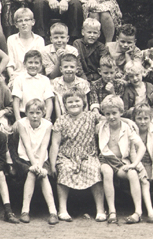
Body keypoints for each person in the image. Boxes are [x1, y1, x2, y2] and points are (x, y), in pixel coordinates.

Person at [49, 92, 106, 222]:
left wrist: (128, 121)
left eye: (77, 101)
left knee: (94, 168)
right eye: (70, 102)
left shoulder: (91, 116)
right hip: (66, 155)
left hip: (88, 154)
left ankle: (100, 209)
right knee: (64, 169)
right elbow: (55, 143)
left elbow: (109, 118)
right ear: (65, 105)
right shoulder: (61, 120)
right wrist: (52, 164)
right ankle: (62, 210)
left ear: (83, 103)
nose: (74, 104)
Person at [97, 95, 145, 224]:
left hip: (121, 162)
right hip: (106, 159)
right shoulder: (101, 125)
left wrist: (135, 163)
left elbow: (141, 146)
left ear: (121, 113)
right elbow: (95, 115)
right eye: (108, 114)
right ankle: (112, 211)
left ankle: (138, 212)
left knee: (133, 173)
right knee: (107, 172)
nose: (111, 117)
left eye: (114, 113)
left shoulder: (127, 128)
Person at [9, 99, 58, 224]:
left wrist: (39, 166)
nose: (35, 116)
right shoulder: (21, 123)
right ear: (26, 113)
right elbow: (27, 146)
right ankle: (25, 211)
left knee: (43, 175)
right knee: (31, 173)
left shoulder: (47, 125)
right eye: (31, 113)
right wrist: (34, 165)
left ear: (43, 112)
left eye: (38, 112)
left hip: (42, 158)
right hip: (24, 158)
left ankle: (53, 212)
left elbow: (44, 147)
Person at [11, 50, 55, 121]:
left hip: (41, 115)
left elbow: (49, 100)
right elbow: (16, 101)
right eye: (30, 62)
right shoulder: (19, 79)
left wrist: (47, 117)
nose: (33, 65)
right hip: (24, 115)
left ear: (41, 65)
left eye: (36, 63)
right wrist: (18, 118)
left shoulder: (45, 80)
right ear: (24, 64)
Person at [5, 8, 45, 78]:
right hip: (17, 76)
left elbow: (40, 65)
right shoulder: (11, 39)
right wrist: (12, 77)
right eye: (20, 21)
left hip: (34, 76)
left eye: (26, 20)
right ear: (16, 24)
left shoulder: (39, 40)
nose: (23, 23)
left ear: (33, 22)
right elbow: (10, 64)